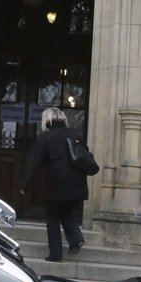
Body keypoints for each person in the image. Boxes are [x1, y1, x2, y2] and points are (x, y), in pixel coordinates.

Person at [20, 107, 88, 262]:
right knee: (66, 212)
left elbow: (34, 162)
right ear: (63, 119)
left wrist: (24, 184)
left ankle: (56, 253)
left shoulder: (45, 137)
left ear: (47, 120)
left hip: (56, 183)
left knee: (52, 217)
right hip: (76, 183)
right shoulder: (74, 135)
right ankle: (76, 239)